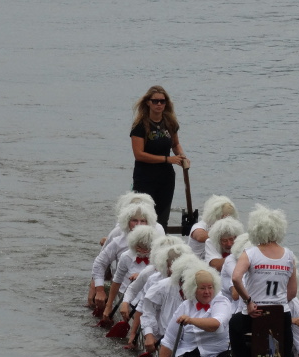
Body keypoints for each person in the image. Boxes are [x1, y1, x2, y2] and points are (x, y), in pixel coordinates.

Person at [230, 204, 297, 357]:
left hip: (254, 315)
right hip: (280, 316)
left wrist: (249, 302)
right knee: (286, 324)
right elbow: (292, 292)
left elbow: (236, 278)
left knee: (234, 325)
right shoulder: (289, 256)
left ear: (256, 229)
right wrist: (277, 302)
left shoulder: (250, 253)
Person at [155, 264, 232, 357]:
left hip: (219, 352)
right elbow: (169, 340)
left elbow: (215, 324)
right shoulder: (185, 306)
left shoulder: (222, 302)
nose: (207, 292)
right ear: (193, 289)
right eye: (202, 288)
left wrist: (191, 320)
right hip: (191, 352)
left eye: (210, 287)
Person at [130, 86, 186, 231]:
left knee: (162, 219)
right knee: (143, 217)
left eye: (162, 101)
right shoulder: (140, 126)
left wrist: (182, 156)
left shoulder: (170, 123)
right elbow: (139, 154)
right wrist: (167, 159)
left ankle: (160, 241)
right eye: (155, 101)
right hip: (145, 177)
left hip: (166, 178)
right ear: (148, 102)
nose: (159, 104)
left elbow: (175, 144)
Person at [90, 202, 158, 316]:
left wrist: (143, 275)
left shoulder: (158, 242)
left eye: (143, 221)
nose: (138, 225)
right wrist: (100, 290)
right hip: (125, 294)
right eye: (134, 221)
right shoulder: (118, 243)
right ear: (127, 222)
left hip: (150, 296)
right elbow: (99, 264)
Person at [102, 224, 160, 323]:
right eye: (139, 247)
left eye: (147, 248)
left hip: (150, 299)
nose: (142, 251)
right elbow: (117, 281)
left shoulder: (159, 258)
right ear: (133, 244)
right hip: (129, 296)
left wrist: (141, 275)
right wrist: (109, 305)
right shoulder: (126, 256)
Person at [187, 194, 238, 259]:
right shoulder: (200, 225)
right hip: (197, 261)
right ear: (215, 215)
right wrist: (223, 236)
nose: (227, 220)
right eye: (224, 217)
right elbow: (200, 237)